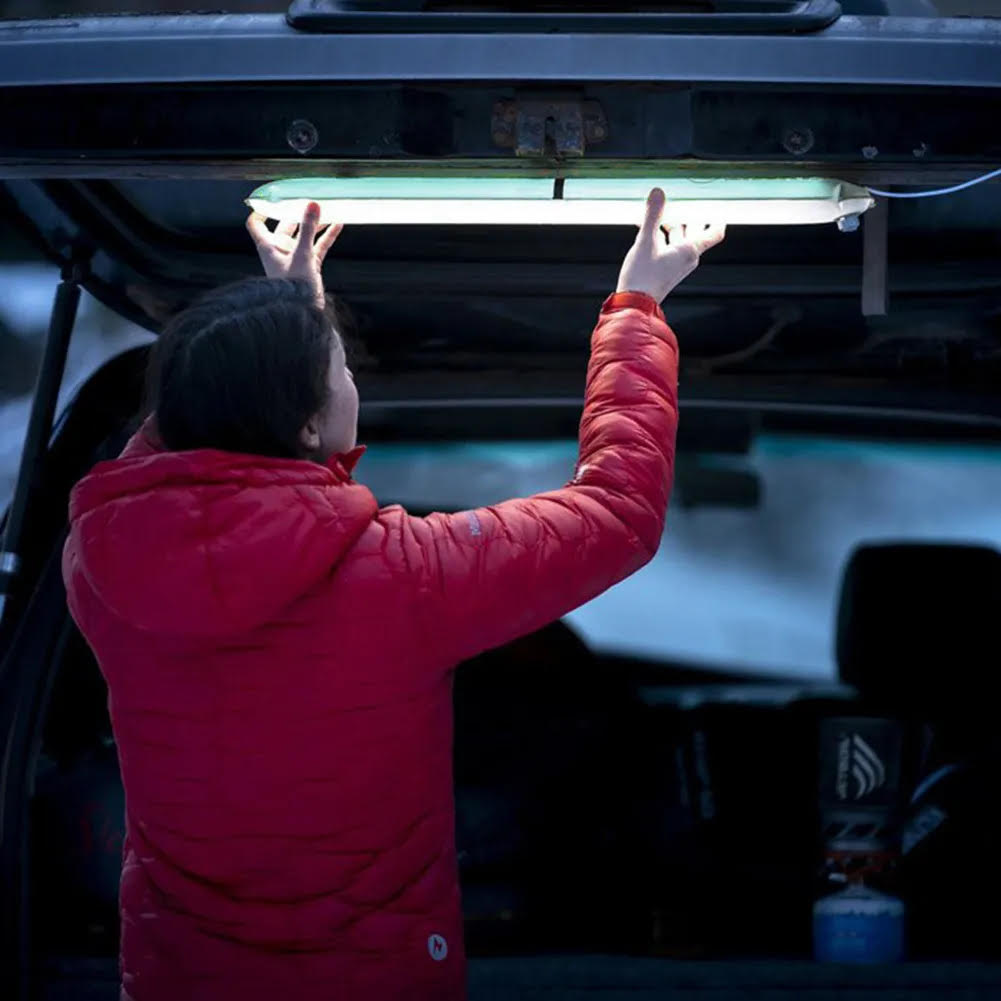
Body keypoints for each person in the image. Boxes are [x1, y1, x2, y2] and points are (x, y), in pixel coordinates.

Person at [62, 188, 724, 1001]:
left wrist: (285, 325)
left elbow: (181, 465)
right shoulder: (404, 577)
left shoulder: (103, 572)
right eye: (339, 369)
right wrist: (636, 305)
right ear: (308, 426)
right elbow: (617, 512)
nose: (350, 381)